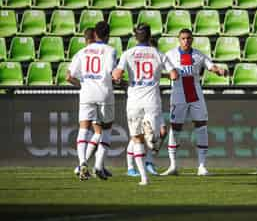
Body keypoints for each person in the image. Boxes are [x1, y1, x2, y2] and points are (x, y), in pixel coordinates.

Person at [112, 24, 178, 186]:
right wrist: (162, 74)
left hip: (134, 100)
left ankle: (144, 178)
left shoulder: (128, 54)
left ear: (136, 37)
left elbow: (117, 75)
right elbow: (174, 75)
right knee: (154, 134)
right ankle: (152, 136)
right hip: (152, 100)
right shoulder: (158, 54)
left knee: (136, 140)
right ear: (149, 37)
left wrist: (118, 77)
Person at [161, 29, 227, 176]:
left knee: (201, 126)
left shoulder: (199, 55)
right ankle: (173, 165)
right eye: (183, 38)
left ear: (192, 40)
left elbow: (211, 66)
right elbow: (161, 71)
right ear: (179, 40)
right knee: (175, 128)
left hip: (196, 94)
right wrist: (168, 74)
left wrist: (219, 71)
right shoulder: (170, 55)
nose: (186, 41)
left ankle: (202, 166)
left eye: (188, 38)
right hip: (178, 95)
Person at [67, 21, 116, 181]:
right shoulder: (110, 50)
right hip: (104, 93)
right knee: (106, 130)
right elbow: (112, 73)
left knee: (84, 129)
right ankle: (98, 167)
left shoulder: (82, 52)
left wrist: (82, 85)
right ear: (108, 35)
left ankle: (82, 163)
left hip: (87, 94)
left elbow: (69, 76)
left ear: (95, 34)